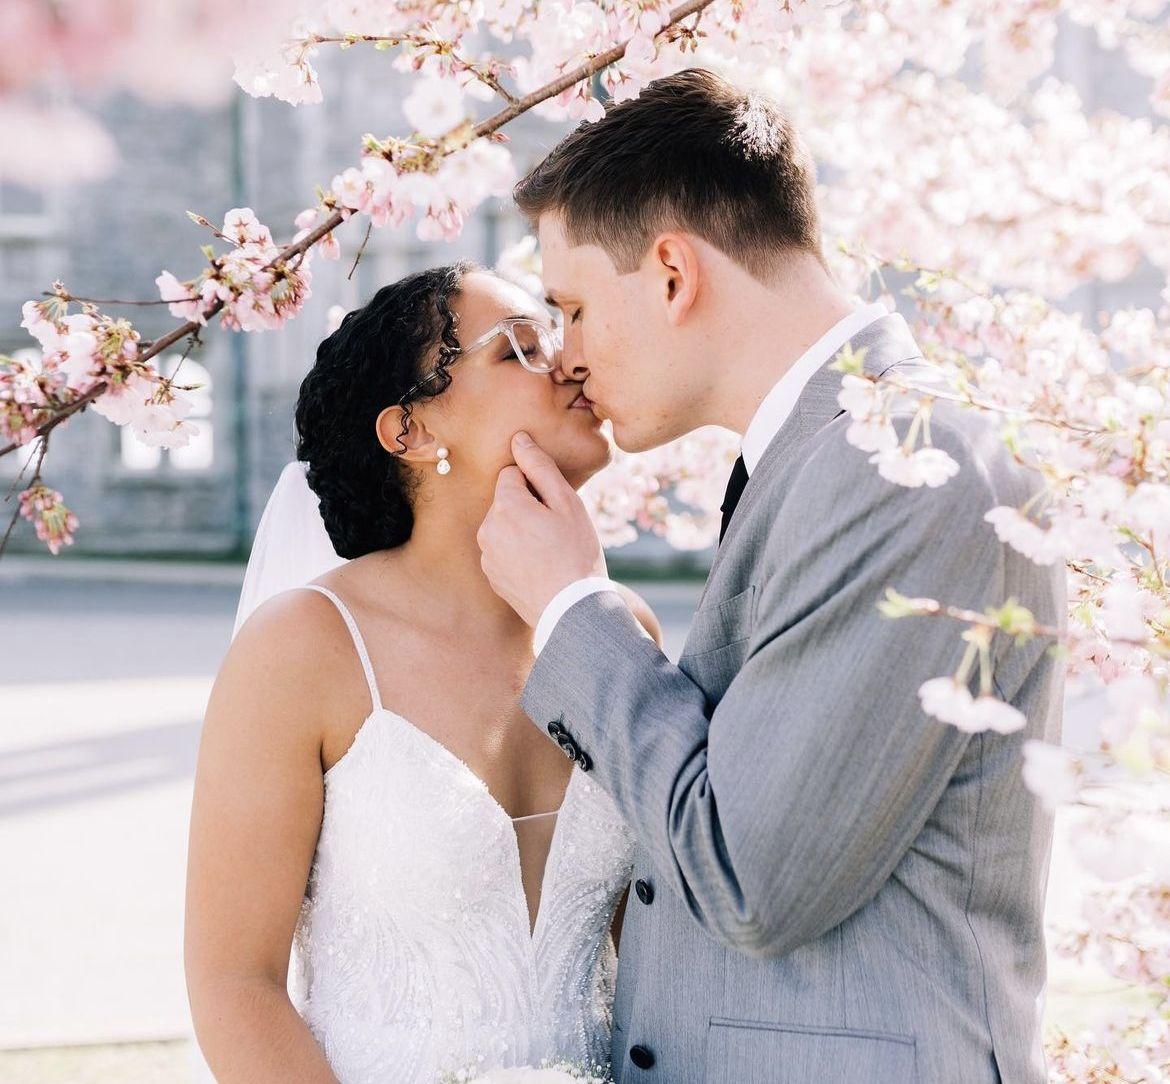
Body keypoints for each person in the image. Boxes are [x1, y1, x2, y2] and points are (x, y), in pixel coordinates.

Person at [477, 68, 1066, 1083]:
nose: (564, 357)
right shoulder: (824, 457)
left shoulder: (907, 464)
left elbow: (751, 877)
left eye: (571, 308)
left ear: (672, 273)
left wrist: (572, 607)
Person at [184, 263, 663, 1083]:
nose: (569, 363)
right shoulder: (303, 649)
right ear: (411, 431)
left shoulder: (621, 632)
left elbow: (653, 964)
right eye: (519, 348)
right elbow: (235, 984)